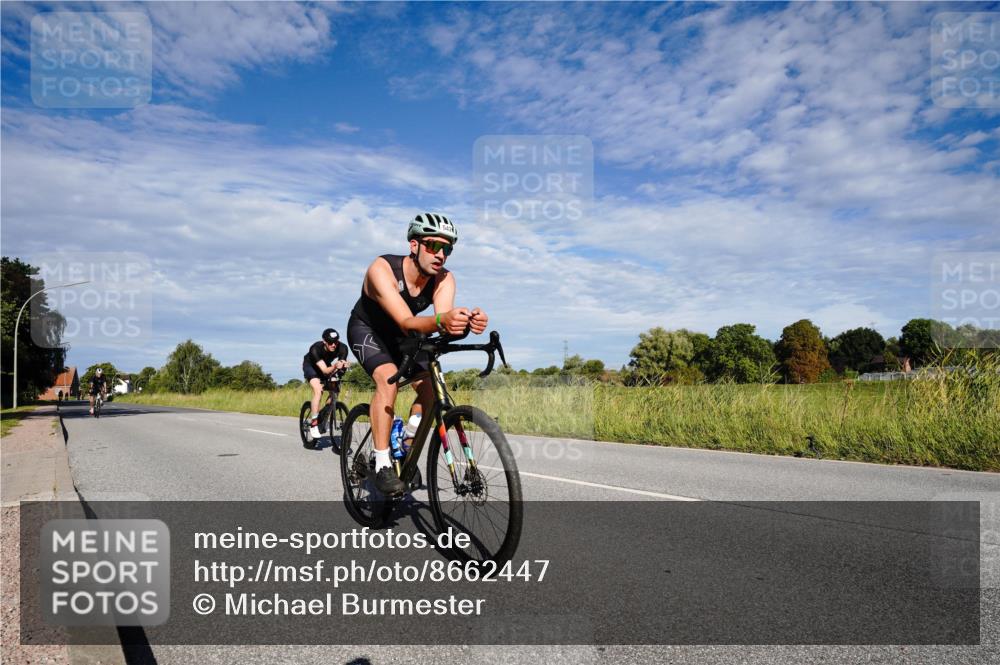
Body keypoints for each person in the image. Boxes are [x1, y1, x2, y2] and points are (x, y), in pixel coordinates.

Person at [347, 213, 488, 495]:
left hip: (404, 337)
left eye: (447, 249)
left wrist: (466, 325)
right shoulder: (382, 269)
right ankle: (382, 462)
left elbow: (442, 322)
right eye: (433, 246)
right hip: (368, 330)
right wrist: (442, 321)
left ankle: (407, 446)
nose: (441, 255)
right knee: (387, 379)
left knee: (431, 388)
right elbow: (407, 321)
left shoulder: (444, 279)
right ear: (414, 245)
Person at [302, 328, 350, 446]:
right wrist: (335, 366)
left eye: (336, 342)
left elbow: (340, 367)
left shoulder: (343, 348)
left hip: (327, 365)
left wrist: (343, 367)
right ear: (324, 341)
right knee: (318, 391)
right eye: (330, 343)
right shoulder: (315, 349)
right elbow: (324, 370)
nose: (333, 345)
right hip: (312, 366)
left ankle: (323, 415)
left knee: (335, 392)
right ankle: (313, 423)